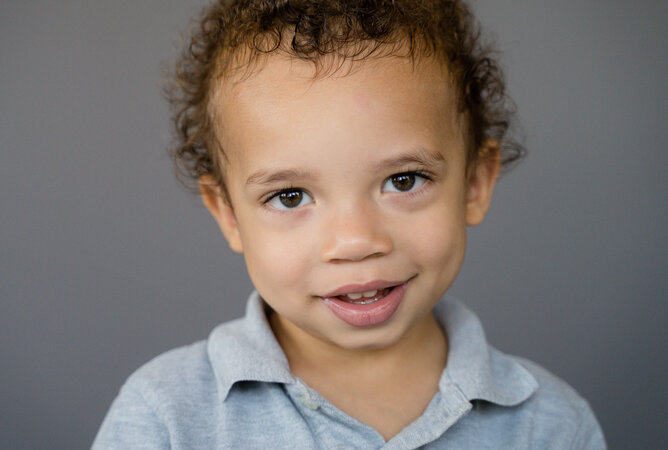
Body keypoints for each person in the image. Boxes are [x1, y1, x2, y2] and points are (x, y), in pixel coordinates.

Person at [93, 1, 605, 448]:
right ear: (228, 214)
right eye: (290, 196)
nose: (356, 241)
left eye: (403, 181)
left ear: (475, 182)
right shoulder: (167, 417)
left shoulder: (549, 425)